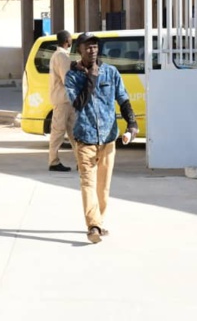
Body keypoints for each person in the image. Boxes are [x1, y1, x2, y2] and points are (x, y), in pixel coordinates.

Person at [64, 32, 138, 244]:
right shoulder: (72, 77)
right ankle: (93, 225)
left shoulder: (111, 72)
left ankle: (99, 221)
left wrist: (131, 123)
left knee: (103, 188)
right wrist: (92, 78)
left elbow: (123, 99)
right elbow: (78, 103)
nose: (93, 50)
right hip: (84, 138)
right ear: (79, 50)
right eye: (88, 46)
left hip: (108, 139)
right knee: (88, 183)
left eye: (95, 46)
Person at [47, 30, 74, 172]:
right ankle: (53, 161)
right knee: (58, 131)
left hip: (66, 100)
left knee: (74, 132)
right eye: (70, 39)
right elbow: (67, 79)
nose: (71, 41)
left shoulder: (60, 55)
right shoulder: (61, 56)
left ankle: (82, 160)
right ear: (66, 41)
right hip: (63, 99)